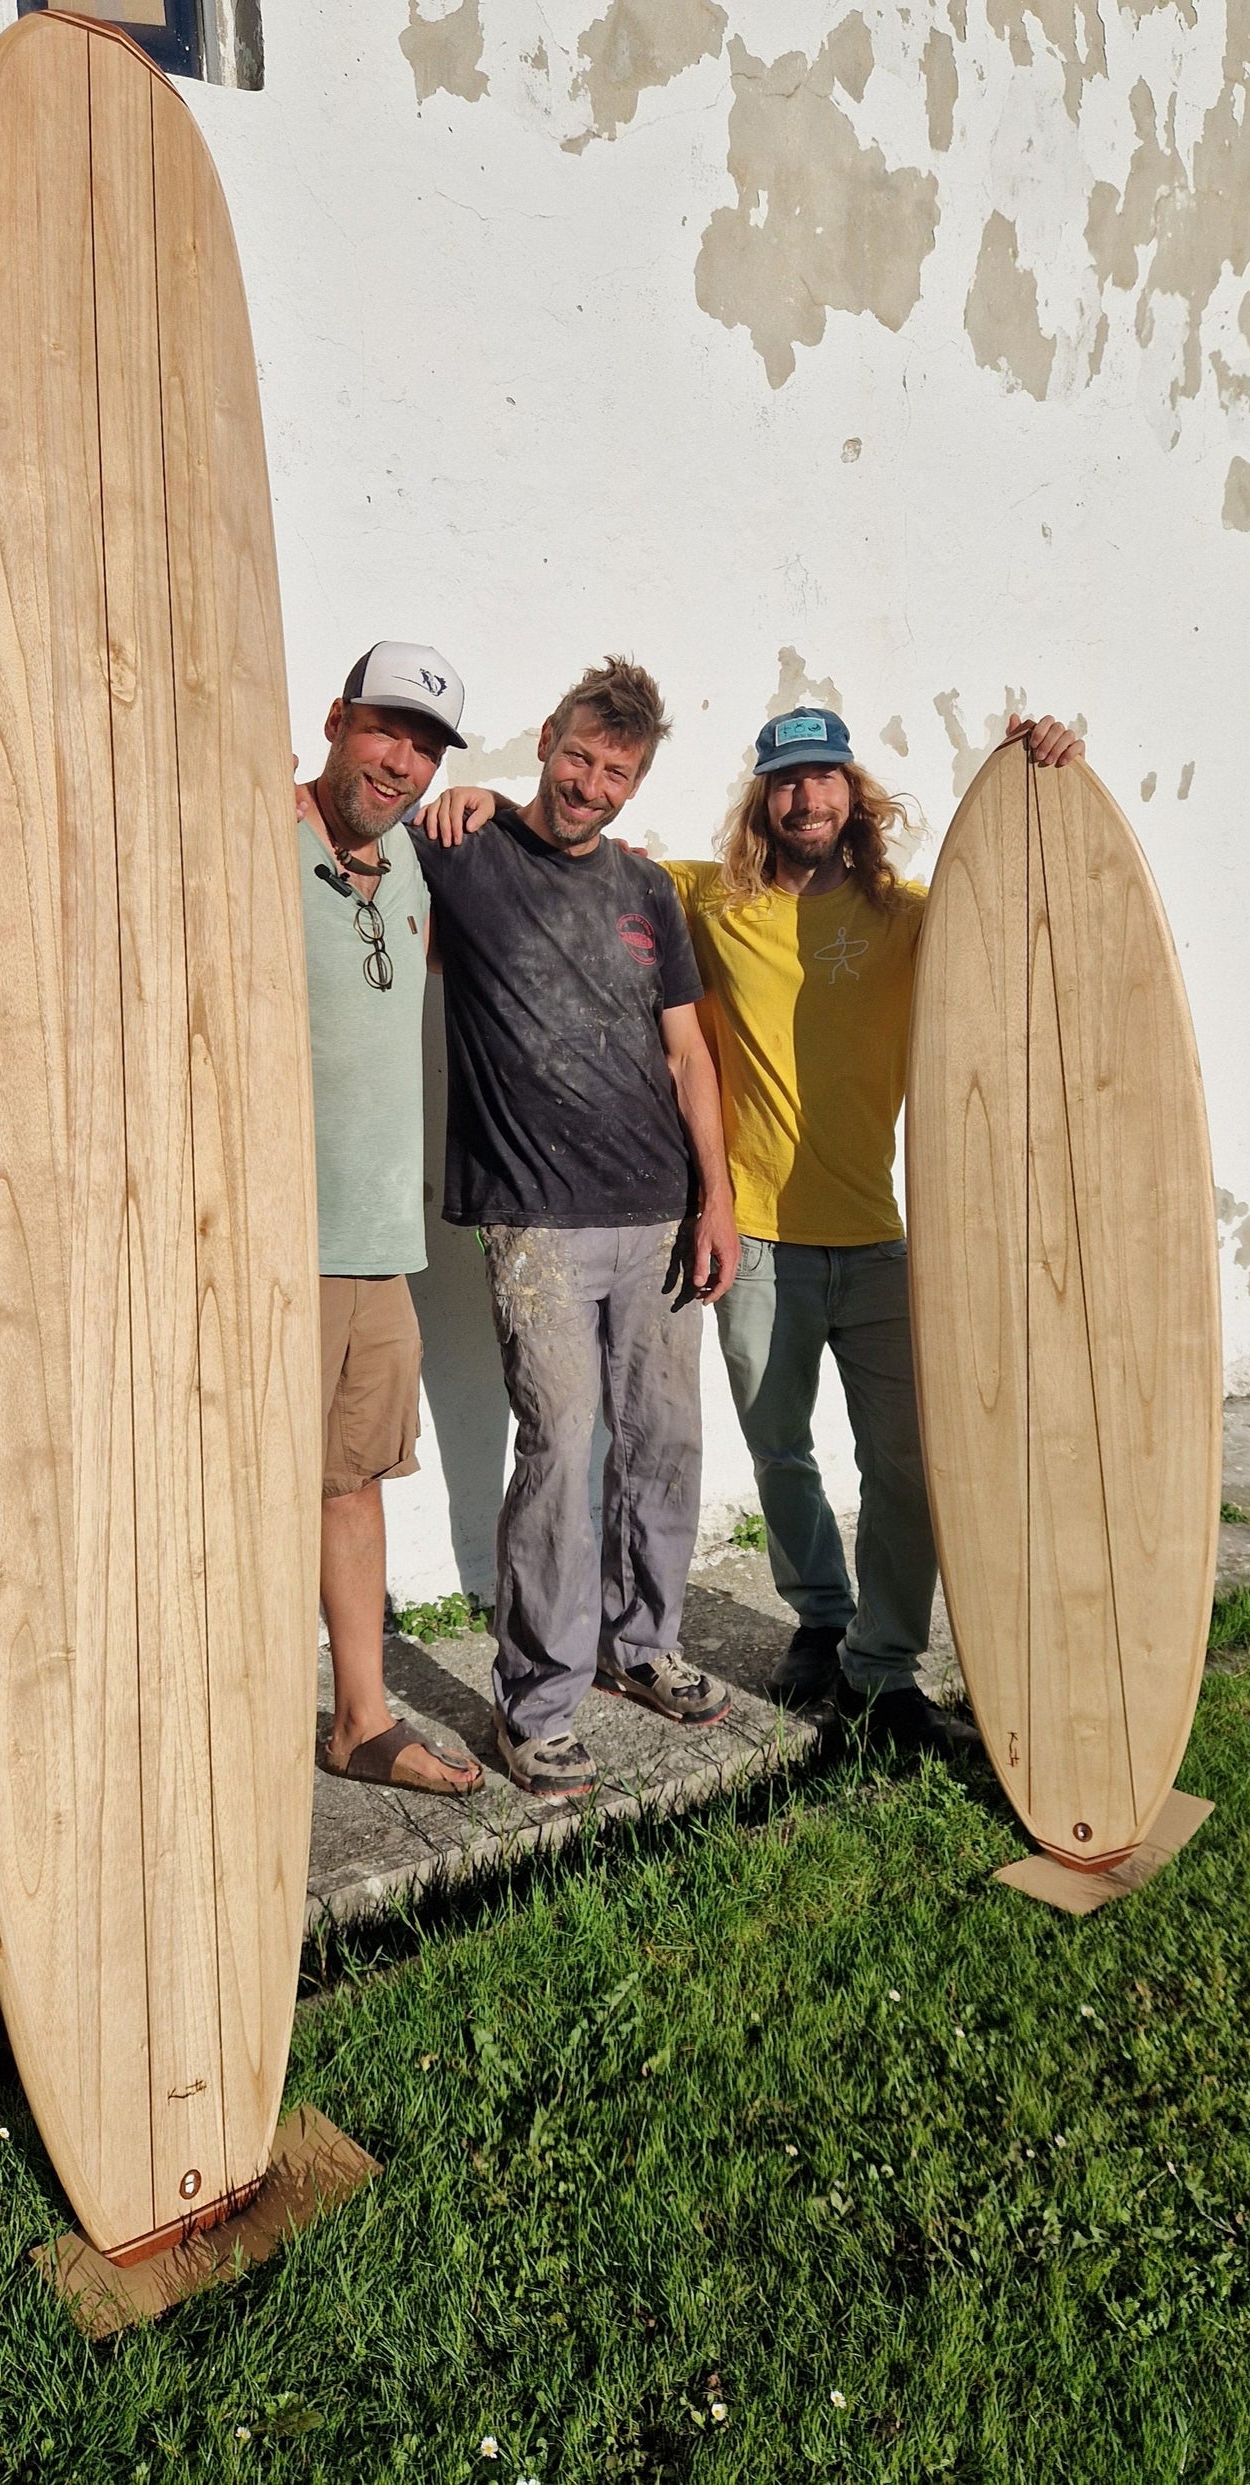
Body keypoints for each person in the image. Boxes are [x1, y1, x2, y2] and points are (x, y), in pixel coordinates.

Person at [0, 639, 486, 1797]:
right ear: (335, 718)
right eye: (384, 729)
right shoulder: (243, 831)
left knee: (347, 1482)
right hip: (242, 1241)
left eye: (426, 745)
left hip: (371, 1245)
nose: (400, 761)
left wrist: (505, 809)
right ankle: (193, 1730)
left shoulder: (408, 865)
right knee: (221, 1485)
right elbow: (85, 887)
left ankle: (358, 1717)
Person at [426, 700, 1082, 1759]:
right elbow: (577, 838)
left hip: (873, 1235)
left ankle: (884, 1666)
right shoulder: (700, 897)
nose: (806, 798)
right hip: (752, 1240)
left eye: (825, 777)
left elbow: (1018, 911)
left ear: (853, 792)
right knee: (779, 1454)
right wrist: (487, 799)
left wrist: (1042, 773)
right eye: (785, 780)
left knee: (903, 1466)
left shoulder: (911, 916)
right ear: (762, 798)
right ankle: (819, 1618)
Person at [409, 658, 740, 1802]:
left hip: (657, 1212)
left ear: (635, 783)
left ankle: (643, 1648)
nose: (590, 785)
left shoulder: (648, 893)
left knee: (666, 1439)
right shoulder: (461, 848)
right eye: (579, 757)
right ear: (545, 737)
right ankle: (537, 1704)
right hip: (534, 1220)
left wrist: (719, 1195)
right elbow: (350, 844)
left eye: (616, 772)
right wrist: (476, 799)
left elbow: (689, 1054)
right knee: (557, 1452)